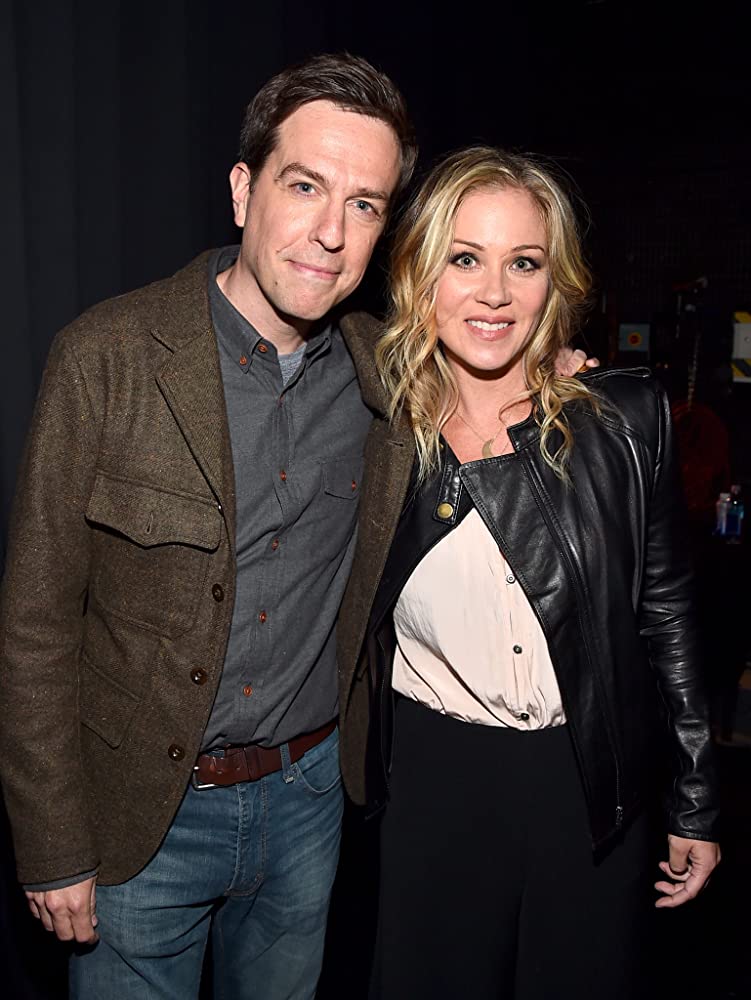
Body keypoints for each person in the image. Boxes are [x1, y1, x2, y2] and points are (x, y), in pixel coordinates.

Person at [0, 57, 591, 999]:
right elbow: (34, 625)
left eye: (363, 205)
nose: (330, 232)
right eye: (305, 186)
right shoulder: (106, 358)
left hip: (309, 803)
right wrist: (51, 842)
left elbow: (486, 365)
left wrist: (547, 369)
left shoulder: (385, 372)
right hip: (140, 819)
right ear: (243, 190)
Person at [336, 146, 721, 999]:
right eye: (464, 259)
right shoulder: (374, 429)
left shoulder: (624, 421)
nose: (495, 293)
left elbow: (666, 615)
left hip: (586, 784)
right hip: (432, 779)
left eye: (523, 263)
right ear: (419, 271)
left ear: (556, 282)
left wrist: (694, 797)